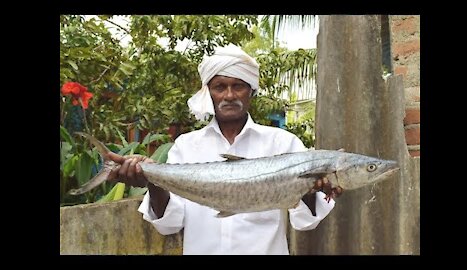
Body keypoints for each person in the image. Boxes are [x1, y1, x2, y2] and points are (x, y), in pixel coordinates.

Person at [106, 44, 342, 255]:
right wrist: (152, 181)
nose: (229, 95)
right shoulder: (187, 145)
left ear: (251, 91)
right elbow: (170, 224)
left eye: (238, 86)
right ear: (208, 92)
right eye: (220, 87)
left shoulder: (283, 143)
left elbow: (305, 222)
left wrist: (310, 187)